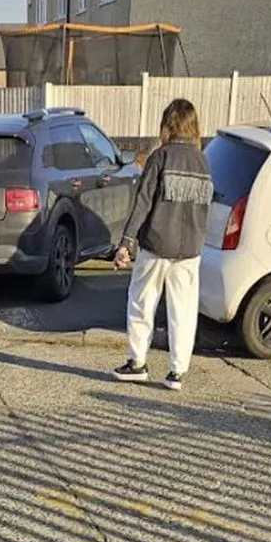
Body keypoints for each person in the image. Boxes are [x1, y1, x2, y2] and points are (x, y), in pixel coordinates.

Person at [112, 99, 213, 392]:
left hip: (157, 245)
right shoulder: (203, 162)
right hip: (190, 250)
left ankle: (137, 363)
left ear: (168, 124)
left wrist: (126, 242)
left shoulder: (161, 157)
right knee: (183, 311)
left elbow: (143, 202)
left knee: (142, 302)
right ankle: (177, 372)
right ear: (194, 126)